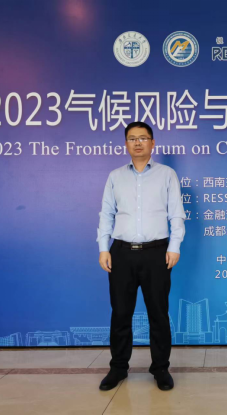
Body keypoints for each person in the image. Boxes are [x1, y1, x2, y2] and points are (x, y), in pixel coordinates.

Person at [96, 121, 186, 391]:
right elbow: (106, 213)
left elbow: (176, 213)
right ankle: (118, 368)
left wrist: (174, 246)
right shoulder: (115, 176)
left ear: (152, 143)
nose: (138, 143)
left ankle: (161, 369)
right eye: (132, 138)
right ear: (126, 144)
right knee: (120, 314)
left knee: (158, 314)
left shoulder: (167, 174)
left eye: (143, 138)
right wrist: (103, 247)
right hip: (121, 253)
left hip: (157, 253)